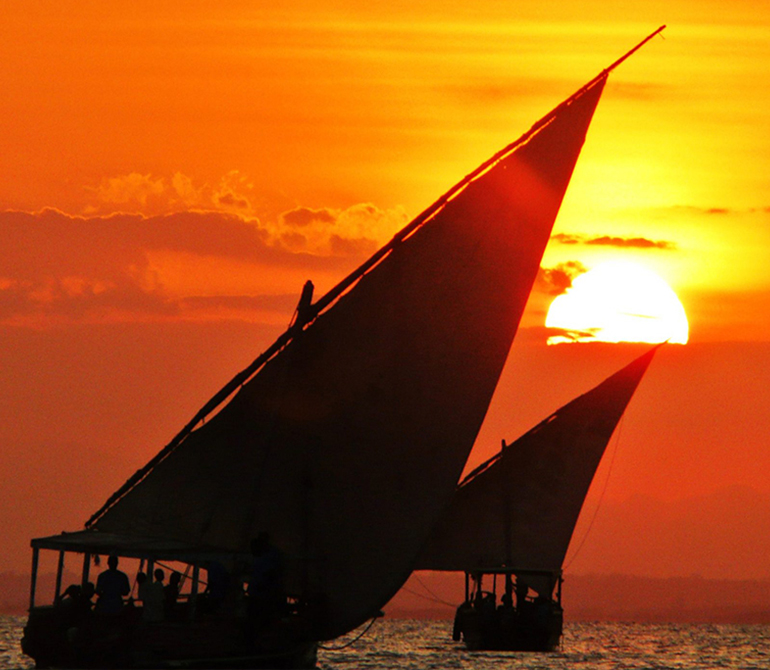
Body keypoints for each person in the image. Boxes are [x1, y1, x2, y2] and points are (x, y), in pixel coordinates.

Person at [247, 532, 285, 625]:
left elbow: (273, 573)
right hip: (259, 592)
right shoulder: (261, 556)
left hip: (264, 593)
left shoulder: (270, 555)